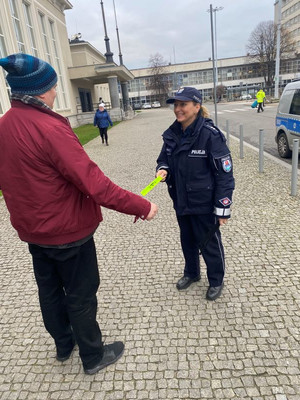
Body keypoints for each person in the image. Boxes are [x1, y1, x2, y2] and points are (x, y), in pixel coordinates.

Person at [0, 53, 158, 375]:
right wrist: (142, 205)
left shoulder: (4, 126)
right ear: (39, 89)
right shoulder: (48, 128)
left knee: (49, 290)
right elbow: (94, 183)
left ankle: (63, 344)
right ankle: (93, 355)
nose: (57, 91)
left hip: (33, 231)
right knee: (81, 293)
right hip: (68, 232)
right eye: (53, 86)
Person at [156, 87, 234, 301]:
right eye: (176, 105)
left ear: (197, 107)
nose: (178, 109)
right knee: (187, 241)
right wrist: (163, 169)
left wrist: (223, 209)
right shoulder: (172, 134)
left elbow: (225, 175)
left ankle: (216, 280)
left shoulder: (210, 136)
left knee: (209, 243)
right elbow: (163, 158)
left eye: (183, 104)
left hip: (204, 203)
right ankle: (192, 273)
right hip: (181, 200)